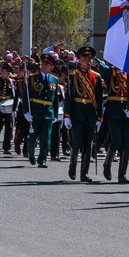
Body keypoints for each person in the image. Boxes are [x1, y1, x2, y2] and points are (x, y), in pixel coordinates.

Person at [63, 46, 104, 183]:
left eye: (90, 58)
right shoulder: (74, 77)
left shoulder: (96, 77)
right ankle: (73, 166)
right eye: (85, 58)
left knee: (87, 144)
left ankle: (84, 173)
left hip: (91, 115)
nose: (88, 61)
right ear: (79, 60)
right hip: (77, 113)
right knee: (77, 142)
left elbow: (99, 99)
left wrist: (99, 117)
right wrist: (67, 115)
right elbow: (69, 97)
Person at [18, 54, 58, 167]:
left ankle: (42, 160)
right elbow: (26, 97)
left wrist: (55, 114)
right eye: (43, 64)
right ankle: (31, 153)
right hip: (35, 112)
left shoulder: (54, 80)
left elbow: (55, 99)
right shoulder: (32, 78)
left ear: (51, 67)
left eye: (47, 64)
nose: (44, 66)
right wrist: (25, 111)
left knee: (46, 138)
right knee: (32, 137)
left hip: (48, 113)